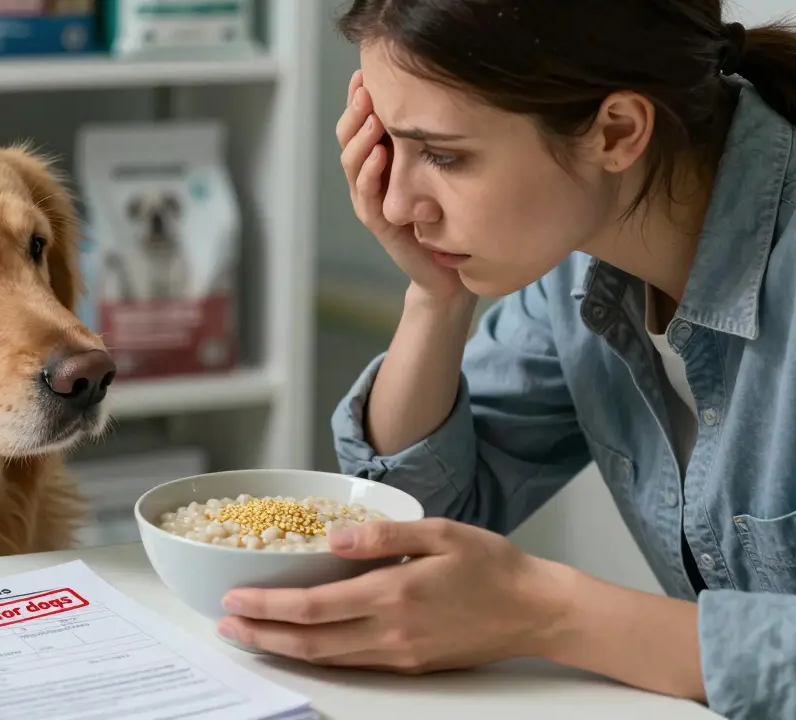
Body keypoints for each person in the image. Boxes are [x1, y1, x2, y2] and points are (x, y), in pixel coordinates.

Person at [213, 1, 796, 717]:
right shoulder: (580, 263)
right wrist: (435, 298)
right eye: (390, 144)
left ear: (617, 131)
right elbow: (416, 525)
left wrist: (550, 613)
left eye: (444, 155)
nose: (396, 206)